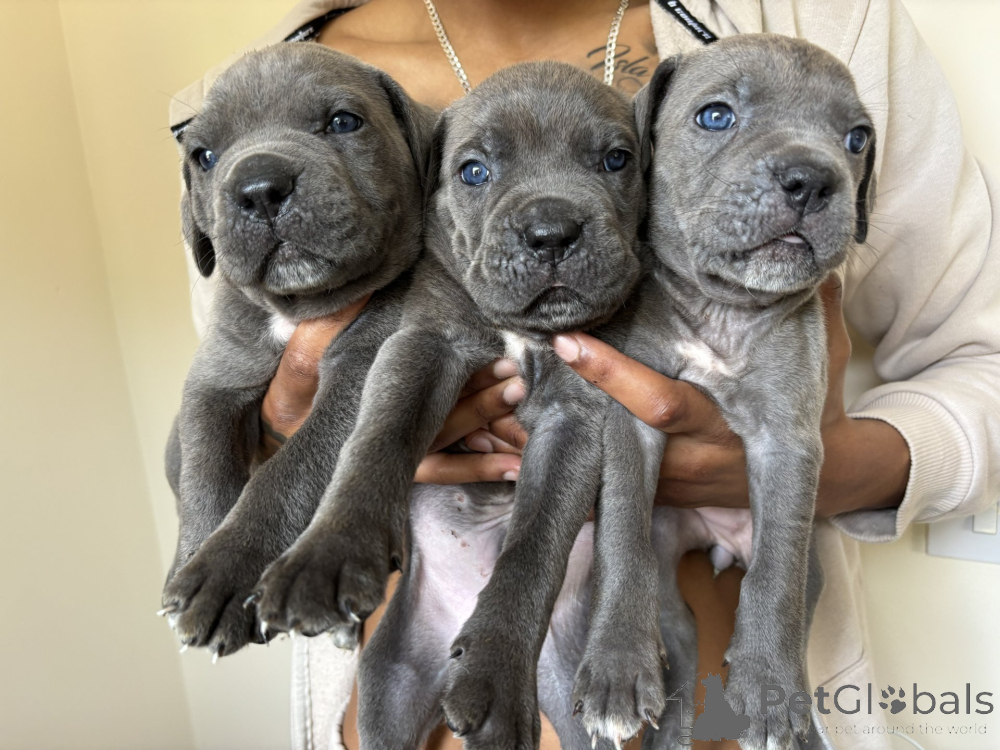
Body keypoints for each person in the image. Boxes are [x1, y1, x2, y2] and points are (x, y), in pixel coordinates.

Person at [168, 1, 1000, 748]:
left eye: (615, 162)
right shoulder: (224, 112)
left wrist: (813, 465)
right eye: (472, 172)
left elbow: (982, 360)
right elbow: (241, 389)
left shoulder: (828, 21)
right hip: (401, 679)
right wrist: (291, 443)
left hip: (734, 714)